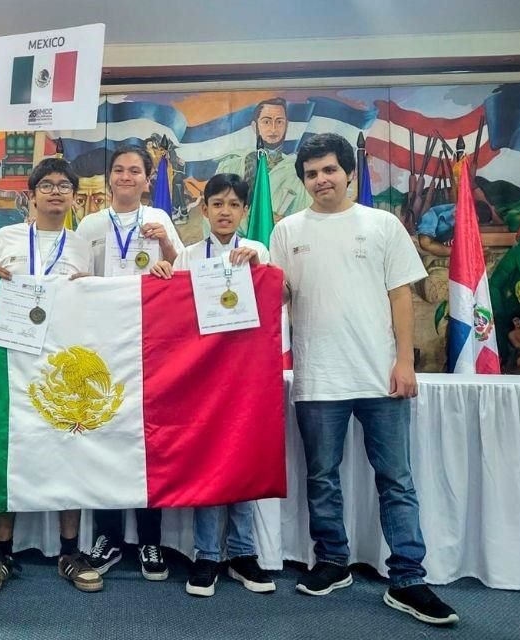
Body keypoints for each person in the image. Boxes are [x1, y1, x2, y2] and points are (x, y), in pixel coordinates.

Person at [269, 133, 458, 626]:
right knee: (322, 478)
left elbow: (400, 297)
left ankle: (409, 579)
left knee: (396, 480)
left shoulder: (382, 224)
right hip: (318, 377)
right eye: (311, 173)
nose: (321, 180)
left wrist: (405, 362)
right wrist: (251, 278)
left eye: (329, 170)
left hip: (380, 376)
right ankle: (332, 561)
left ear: (348, 172)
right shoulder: (287, 230)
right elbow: (280, 295)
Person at [0, 157, 101, 595]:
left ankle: (70, 551)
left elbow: (93, 305)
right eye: (46, 185)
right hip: (11, 359)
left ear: (73, 195)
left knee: (71, 448)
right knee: (9, 452)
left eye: (63, 185)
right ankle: (2, 552)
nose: (55, 191)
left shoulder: (82, 243)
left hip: (61, 364)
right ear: (30, 194)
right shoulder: (6, 237)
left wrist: (90, 289)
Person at [149, 173, 276, 597]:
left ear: (243, 211)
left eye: (233, 204)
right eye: (217, 204)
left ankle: (243, 554)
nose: (225, 211)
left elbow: (280, 296)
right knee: (208, 460)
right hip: (204, 377)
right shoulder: (187, 256)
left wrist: (260, 271)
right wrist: (164, 274)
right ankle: (207, 555)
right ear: (204, 211)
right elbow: (174, 314)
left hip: (245, 374)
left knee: (244, 457)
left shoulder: (255, 250)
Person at [74, 145, 184, 580]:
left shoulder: (160, 220)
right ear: (110, 178)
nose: (125, 176)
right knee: (103, 439)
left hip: (149, 344)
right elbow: (77, 276)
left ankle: (151, 541)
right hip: (101, 344)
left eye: (133, 170)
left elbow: (175, 274)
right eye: (118, 170)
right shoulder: (90, 223)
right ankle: (108, 537)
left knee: (149, 440)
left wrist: (167, 257)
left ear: (147, 177)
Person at [217, 97, 312, 221]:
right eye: (266, 122)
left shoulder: (297, 171)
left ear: (286, 126)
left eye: (279, 122)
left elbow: (305, 218)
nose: (273, 129)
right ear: (254, 126)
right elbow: (212, 217)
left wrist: (283, 223)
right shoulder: (231, 165)